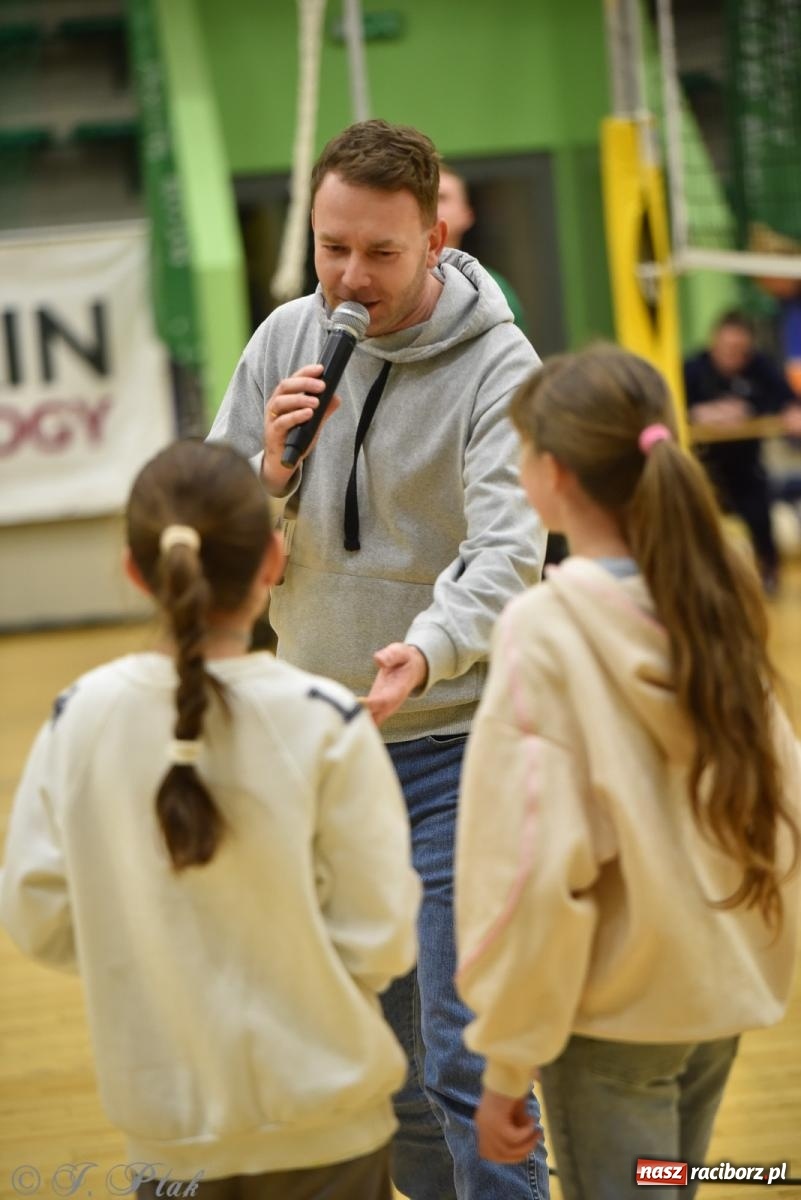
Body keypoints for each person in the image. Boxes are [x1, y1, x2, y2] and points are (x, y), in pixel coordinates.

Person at [208, 120, 550, 1200]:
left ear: (438, 238)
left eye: (380, 253)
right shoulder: (285, 335)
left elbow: (512, 550)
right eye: (330, 248)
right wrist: (262, 466)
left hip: (455, 747)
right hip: (322, 749)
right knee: (389, 1073)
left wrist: (429, 647)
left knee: (465, 1062)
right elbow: (208, 504)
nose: (349, 279)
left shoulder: (500, 365)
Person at [0, 439, 421, 1199]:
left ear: (136, 573)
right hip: (330, 1130)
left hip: (169, 1137)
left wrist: (140, 945)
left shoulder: (81, 717)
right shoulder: (327, 722)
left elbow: (37, 915)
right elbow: (382, 935)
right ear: (271, 559)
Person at [455, 344, 801, 1200]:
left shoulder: (543, 627)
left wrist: (506, 1062)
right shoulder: (709, 587)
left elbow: (534, 869)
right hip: (713, 1001)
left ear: (553, 474)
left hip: (613, 1021)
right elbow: (783, 794)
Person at [684, 309, 801, 593]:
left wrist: (755, 409)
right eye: (727, 349)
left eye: (740, 351)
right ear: (714, 343)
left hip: (747, 465)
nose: (733, 357)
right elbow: (674, 404)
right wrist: (701, 413)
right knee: (695, 520)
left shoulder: (760, 367)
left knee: (759, 513)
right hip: (702, 465)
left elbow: (785, 401)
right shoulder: (693, 369)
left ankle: (769, 571)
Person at [437, 163, 528, 331]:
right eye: (426, 198)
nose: (432, 206)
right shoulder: (397, 281)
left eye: (442, 198)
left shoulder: (492, 286)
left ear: (467, 216)